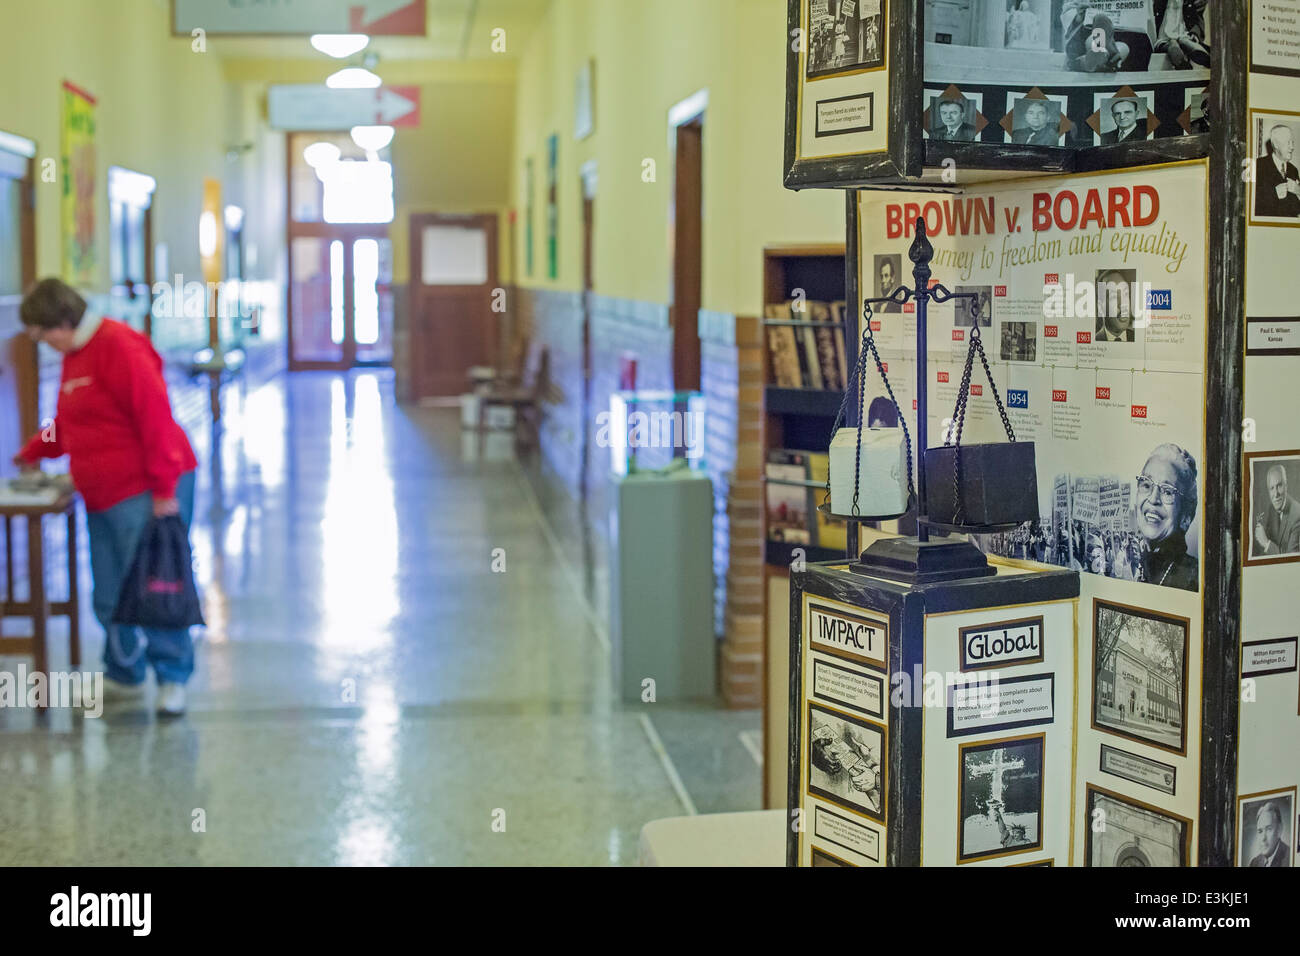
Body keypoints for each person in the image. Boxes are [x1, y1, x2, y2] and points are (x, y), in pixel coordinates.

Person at [14, 278, 199, 716]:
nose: (45, 344)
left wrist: (165, 490)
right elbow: (69, 422)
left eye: (44, 334)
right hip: (101, 497)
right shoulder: (75, 356)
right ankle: (124, 674)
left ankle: (172, 678)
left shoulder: (119, 346)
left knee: (154, 589)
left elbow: (155, 418)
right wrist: (30, 453)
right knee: (110, 594)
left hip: (146, 490)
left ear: (63, 320)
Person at [1134, 443, 1198, 591]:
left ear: (1186, 516)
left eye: (1167, 491)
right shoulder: (1130, 564)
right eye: (1146, 485)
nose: (1153, 499)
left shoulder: (1193, 578)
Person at [1253, 463, 1300, 557]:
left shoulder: (1297, 515)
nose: (1276, 494)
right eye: (1272, 488)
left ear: (1286, 485)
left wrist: (1266, 543)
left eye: (1279, 485)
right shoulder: (1272, 508)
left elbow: (1291, 559)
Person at [1254, 125, 1300, 219]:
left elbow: (1296, 209)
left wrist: (1298, 191)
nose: (1292, 147)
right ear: (1276, 144)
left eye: (1292, 142)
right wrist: (1273, 194)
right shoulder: (1258, 165)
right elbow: (1249, 204)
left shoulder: (1293, 170)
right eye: (1288, 142)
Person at [1153, 0, 1209, 69]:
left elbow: (1198, 19)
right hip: (1164, 37)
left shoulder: (1191, 2)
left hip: (1184, 34)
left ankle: (1200, 53)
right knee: (1172, 45)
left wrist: (1195, 33)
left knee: (1185, 41)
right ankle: (1181, 62)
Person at [1096, 270, 1136, 342]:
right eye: (1114, 297)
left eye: (1126, 294)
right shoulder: (1096, 340)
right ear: (1101, 308)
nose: (1122, 305)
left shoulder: (1137, 338)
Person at [1248, 802, 1290, 867]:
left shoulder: (1290, 858)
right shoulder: (1254, 863)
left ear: (1279, 830)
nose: (1263, 838)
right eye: (1260, 831)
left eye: (1269, 829)